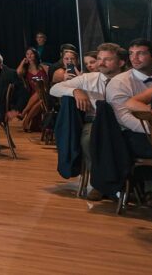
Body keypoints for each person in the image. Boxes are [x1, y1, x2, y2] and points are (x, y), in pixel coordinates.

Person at [51, 43, 127, 200]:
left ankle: (139, 186)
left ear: (121, 62)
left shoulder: (129, 79)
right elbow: (54, 89)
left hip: (125, 122)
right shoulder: (88, 78)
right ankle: (99, 184)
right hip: (95, 122)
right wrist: (74, 90)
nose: (101, 63)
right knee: (88, 139)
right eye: (99, 59)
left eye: (107, 59)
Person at [106, 38, 152, 158]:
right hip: (132, 135)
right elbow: (124, 118)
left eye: (140, 53)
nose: (134, 58)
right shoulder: (119, 82)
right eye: (131, 53)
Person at [17, 47, 50, 132]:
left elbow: (47, 82)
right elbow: (18, 73)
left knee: (41, 90)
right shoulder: (25, 69)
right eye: (27, 54)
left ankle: (24, 113)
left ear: (35, 55)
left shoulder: (42, 67)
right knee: (40, 100)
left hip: (46, 92)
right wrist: (22, 62)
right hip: (33, 95)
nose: (29, 56)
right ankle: (26, 121)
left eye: (31, 54)